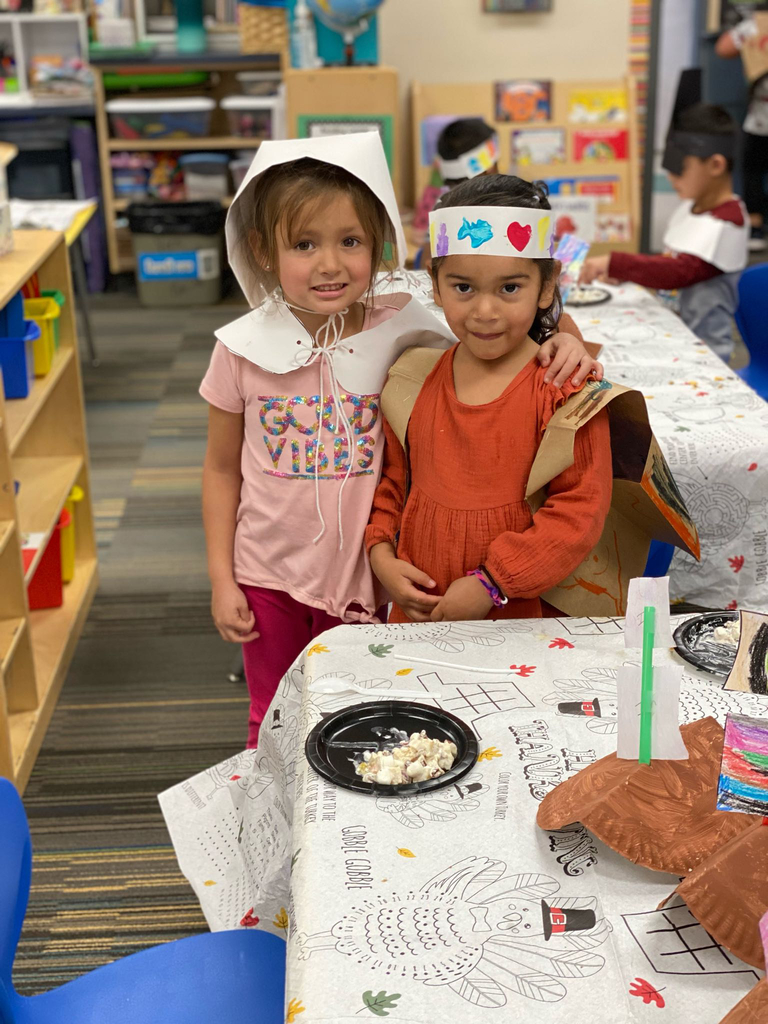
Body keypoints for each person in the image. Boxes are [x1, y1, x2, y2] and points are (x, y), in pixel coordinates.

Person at [200, 134, 602, 745]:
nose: (329, 264)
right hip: (269, 570)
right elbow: (221, 468)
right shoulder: (240, 349)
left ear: (379, 245)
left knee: (367, 712)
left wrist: (565, 331)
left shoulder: (404, 324)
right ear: (262, 248)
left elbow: (498, 298)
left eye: (350, 242)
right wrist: (221, 577)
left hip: (368, 577)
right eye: (304, 244)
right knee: (274, 716)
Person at [365, 175, 614, 624]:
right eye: (463, 288)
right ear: (435, 285)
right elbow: (394, 482)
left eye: (509, 288)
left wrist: (493, 583)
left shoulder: (564, 390)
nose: (484, 311)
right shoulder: (411, 381)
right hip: (418, 605)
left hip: (518, 617)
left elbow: (580, 510)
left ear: (546, 286)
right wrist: (381, 553)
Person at [580, 103, 749, 362]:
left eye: (679, 168)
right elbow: (668, 262)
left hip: (708, 353)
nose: (671, 177)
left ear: (715, 165)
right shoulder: (689, 209)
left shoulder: (731, 221)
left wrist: (616, 263)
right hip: (675, 337)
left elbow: (680, 271)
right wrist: (630, 276)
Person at [715, 15, 768, 252]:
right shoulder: (759, 23)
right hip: (760, 116)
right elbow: (724, 47)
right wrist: (750, 33)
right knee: (753, 172)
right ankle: (756, 226)